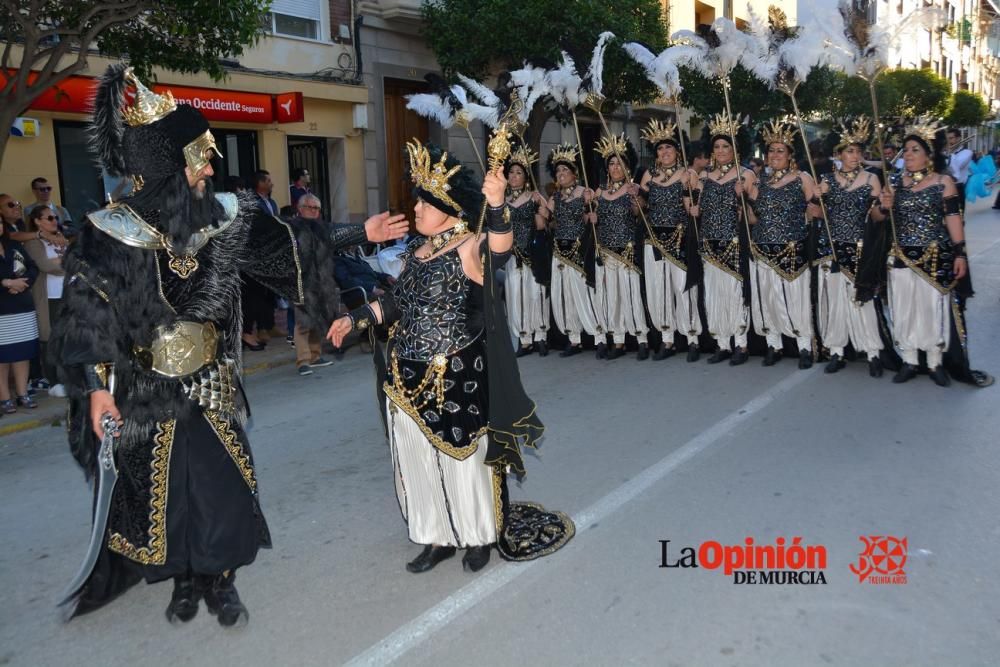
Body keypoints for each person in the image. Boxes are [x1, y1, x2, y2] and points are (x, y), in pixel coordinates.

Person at [51, 65, 406, 626]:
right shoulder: (107, 233)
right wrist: (97, 389)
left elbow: (294, 239)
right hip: (145, 386)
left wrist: (362, 233)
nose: (212, 167)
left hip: (209, 376)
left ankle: (221, 581)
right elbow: (86, 316)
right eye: (202, 157)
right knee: (165, 492)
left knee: (220, 484)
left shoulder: (225, 217)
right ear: (169, 163)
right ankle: (185, 581)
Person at [327, 139, 573, 573]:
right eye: (417, 201)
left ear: (448, 206)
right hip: (405, 374)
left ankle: (476, 535)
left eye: (424, 202)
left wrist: (496, 204)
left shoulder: (468, 246)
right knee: (417, 459)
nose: (416, 210)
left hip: (458, 373)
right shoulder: (416, 253)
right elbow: (397, 302)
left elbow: (501, 248)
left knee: (464, 457)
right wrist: (356, 319)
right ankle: (435, 536)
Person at [869, 121, 992, 387]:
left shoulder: (943, 182)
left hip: (935, 258)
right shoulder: (893, 183)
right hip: (900, 257)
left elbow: (953, 219)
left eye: (914, 149)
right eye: (906, 150)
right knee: (904, 310)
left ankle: (935, 362)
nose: (909, 154)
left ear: (929, 154)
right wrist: (882, 204)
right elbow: (877, 217)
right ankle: (910, 360)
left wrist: (960, 254)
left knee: (932, 310)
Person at [815, 117, 888, 377]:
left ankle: (872, 353)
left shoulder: (871, 179)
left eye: (858, 151)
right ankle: (836, 351)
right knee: (835, 303)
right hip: (833, 249)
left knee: (862, 302)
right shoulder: (826, 180)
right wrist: (814, 199)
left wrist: (884, 207)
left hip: (860, 249)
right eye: (849, 151)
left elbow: (877, 216)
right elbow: (815, 211)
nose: (855, 155)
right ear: (839, 154)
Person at [742, 119, 818, 369]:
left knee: (796, 300)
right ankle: (773, 345)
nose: (775, 155)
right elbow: (753, 219)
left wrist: (821, 199)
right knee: (768, 300)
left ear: (790, 155)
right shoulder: (758, 183)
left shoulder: (802, 178)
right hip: (762, 249)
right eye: (771, 150)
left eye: (780, 150)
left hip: (792, 250)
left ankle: (804, 346)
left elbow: (817, 212)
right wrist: (742, 200)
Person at [688, 115, 754, 365]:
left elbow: (752, 215)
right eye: (717, 146)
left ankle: (742, 344)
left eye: (726, 146)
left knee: (735, 294)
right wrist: (695, 210)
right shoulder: (704, 177)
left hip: (735, 244)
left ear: (735, 148)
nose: (721, 150)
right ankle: (722, 343)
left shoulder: (745, 175)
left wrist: (743, 197)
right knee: (713, 295)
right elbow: (698, 208)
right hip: (709, 244)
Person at [639, 119, 702, 362]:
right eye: (660, 149)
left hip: (679, 239)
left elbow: (693, 210)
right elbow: (641, 208)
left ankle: (693, 338)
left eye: (668, 148)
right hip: (653, 240)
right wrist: (636, 197)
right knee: (659, 291)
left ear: (677, 151)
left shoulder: (689, 174)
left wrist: (689, 190)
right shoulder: (649, 175)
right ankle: (667, 339)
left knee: (683, 289)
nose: (664, 152)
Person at [588, 134, 649, 360]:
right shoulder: (598, 192)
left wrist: (637, 200)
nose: (615, 167)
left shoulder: (633, 188)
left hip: (628, 251)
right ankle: (618, 340)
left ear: (627, 167)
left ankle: (642, 339)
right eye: (612, 163)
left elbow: (640, 213)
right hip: (605, 251)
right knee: (610, 298)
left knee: (631, 296)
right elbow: (589, 217)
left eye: (620, 163)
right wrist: (591, 215)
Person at [546, 144, 601, 357]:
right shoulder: (555, 198)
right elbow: (545, 221)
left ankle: (598, 335)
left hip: (580, 250)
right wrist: (538, 207)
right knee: (565, 296)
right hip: (559, 251)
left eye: (565, 170)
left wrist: (590, 211)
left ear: (574, 173)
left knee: (584, 294)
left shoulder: (584, 193)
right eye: (558, 171)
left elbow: (592, 220)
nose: (561, 174)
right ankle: (574, 338)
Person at [503, 145, 550, 357]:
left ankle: (540, 336)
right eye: (511, 172)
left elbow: (542, 225)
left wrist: (540, 207)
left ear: (525, 176)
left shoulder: (534, 196)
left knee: (535, 294)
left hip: (532, 251)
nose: (514, 176)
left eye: (518, 172)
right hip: (511, 254)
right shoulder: (501, 201)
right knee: (515, 295)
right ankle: (524, 339)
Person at [289, 193, 336, 376]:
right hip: (301, 279)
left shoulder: (321, 228)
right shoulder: (293, 228)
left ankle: (315, 355)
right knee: (302, 321)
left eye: (317, 208)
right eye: (311, 208)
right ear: (300, 209)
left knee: (318, 317)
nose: (315, 211)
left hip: (321, 278)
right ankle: (303, 360)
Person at [23, 205, 68, 396]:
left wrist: (62, 262)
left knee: (67, 338)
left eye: (55, 217)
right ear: (37, 221)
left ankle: (68, 378)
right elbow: (45, 265)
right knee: (50, 340)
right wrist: (67, 263)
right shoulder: (33, 243)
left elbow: (75, 258)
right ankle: (53, 381)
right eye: (49, 218)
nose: (54, 221)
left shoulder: (61, 239)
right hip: (48, 298)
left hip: (67, 295)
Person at [0, 211, 40, 413]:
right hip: (2, 311)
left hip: (22, 307)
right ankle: (5, 397)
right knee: (3, 356)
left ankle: (23, 393)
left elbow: (33, 267)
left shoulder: (13, 245)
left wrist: (23, 284)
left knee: (21, 354)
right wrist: (5, 283)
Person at [241, 170, 279, 350]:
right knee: (255, 294)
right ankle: (256, 329)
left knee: (270, 291)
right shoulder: (252, 202)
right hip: (255, 254)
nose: (272, 183)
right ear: (260, 183)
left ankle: (268, 325)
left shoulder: (271, 202)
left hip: (270, 252)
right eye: (269, 180)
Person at [945, 128, 972, 215]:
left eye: (951, 138)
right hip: (942, 188)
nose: (949, 141)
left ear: (958, 138)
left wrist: (949, 154)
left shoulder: (967, 152)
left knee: (957, 218)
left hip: (957, 188)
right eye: (947, 139)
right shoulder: (944, 153)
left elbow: (956, 168)